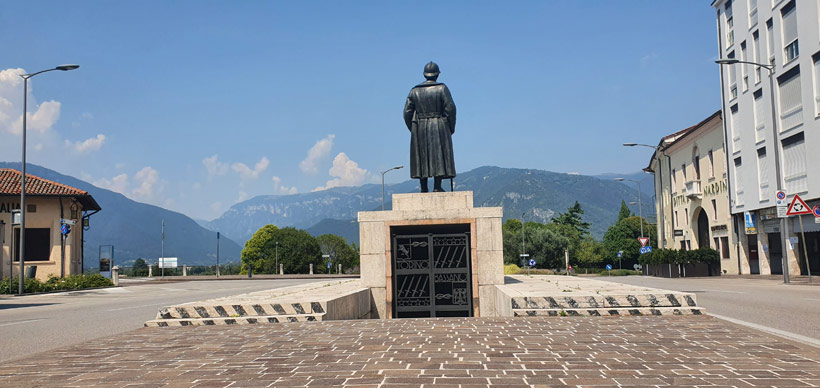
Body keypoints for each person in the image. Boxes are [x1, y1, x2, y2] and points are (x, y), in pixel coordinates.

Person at [403, 61, 457, 192]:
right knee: (438, 155)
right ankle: (437, 187)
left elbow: (406, 112)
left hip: (420, 126)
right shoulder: (442, 88)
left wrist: (413, 128)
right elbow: (451, 108)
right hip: (439, 124)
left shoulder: (414, 91)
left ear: (425, 75)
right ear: (437, 75)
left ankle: (423, 187)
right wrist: (450, 127)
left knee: (422, 157)